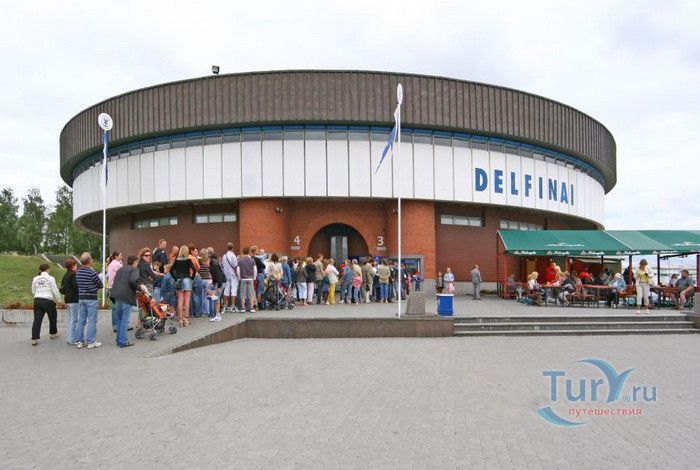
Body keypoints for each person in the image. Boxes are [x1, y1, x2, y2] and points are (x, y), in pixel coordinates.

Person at [110, 255, 144, 347]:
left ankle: (119, 339)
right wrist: (140, 288)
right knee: (125, 319)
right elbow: (133, 281)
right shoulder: (134, 270)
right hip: (126, 296)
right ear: (134, 262)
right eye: (137, 262)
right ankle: (123, 341)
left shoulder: (120, 269)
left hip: (116, 295)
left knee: (119, 319)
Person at [75, 252, 104, 349]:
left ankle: (80, 341)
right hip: (91, 298)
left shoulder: (78, 272)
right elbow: (101, 284)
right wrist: (94, 287)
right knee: (92, 320)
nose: (92, 260)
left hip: (81, 297)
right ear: (88, 261)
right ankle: (91, 341)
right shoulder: (92, 272)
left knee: (81, 320)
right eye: (91, 259)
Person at [30, 264, 62, 346]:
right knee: (52, 317)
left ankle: (34, 338)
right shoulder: (51, 278)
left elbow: (33, 290)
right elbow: (55, 290)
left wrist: (38, 293)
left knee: (37, 320)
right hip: (47, 300)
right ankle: (53, 333)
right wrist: (59, 300)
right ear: (48, 269)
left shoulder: (35, 278)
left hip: (37, 299)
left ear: (40, 270)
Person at [170, 246, 196, 326]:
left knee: (180, 300)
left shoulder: (176, 260)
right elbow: (194, 269)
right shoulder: (188, 260)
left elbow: (171, 270)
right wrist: (192, 278)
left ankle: (180, 319)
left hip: (179, 280)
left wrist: (175, 278)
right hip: (187, 279)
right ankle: (186, 318)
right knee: (187, 300)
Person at [60, 258, 80, 345]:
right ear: (73, 266)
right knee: (74, 320)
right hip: (74, 299)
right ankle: (73, 339)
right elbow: (76, 286)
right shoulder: (74, 274)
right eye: (76, 265)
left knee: (70, 319)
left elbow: (62, 288)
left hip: (67, 299)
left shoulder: (65, 275)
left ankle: (69, 337)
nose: (77, 267)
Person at [237, 246, 258, 313]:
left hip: (243, 279)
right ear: (249, 252)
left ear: (243, 252)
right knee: (251, 294)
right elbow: (255, 270)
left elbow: (238, 271)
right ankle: (251, 308)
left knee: (243, 294)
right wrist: (254, 278)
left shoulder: (240, 261)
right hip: (250, 278)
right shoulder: (252, 260)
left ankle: (243, 308)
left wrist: (240, 278)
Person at [106, 251, 123, 333]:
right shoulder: (118, 264)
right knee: (118, 306)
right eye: (120, 255)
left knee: (114, 307)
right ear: (116, 256)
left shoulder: (110, 264)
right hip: (117, 287)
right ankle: (119, 324)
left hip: (111, 287)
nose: (121, 256)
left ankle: (115, 325)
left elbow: (108, 276)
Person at [221, 243, 239, 313]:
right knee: (233, 289)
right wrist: (237, 274)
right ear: (233, 248)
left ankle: (225, 306)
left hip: (226, 274)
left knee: (226, 289)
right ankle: (233, 306)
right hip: (232, 274)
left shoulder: (224, 256)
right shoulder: (233, 256)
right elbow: (235, 266)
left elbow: (222, 265)